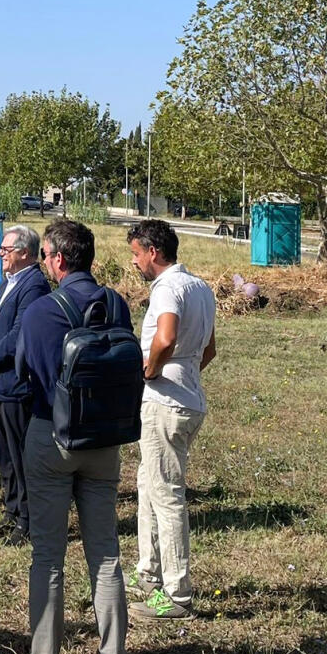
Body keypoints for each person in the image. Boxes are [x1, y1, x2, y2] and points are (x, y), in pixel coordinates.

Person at [14, 220, 130, 654]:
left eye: (44, 255)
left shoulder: (42, 311)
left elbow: (25, 373)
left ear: (58, 259)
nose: (43, 262)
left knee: (49, 558)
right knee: (106, 558)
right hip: (105, 440)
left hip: (52, 437)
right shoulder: (116, 302)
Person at [125, 219, 216, 620]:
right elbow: (209, 349)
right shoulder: (200, 287)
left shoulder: (166, 288)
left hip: (164, 400)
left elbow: (165, 337)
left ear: (153, 253)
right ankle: (149, 571)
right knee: (148, 482)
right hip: (188, 395)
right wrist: (185, 373)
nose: (135, 262)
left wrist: (150, 371)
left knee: (166, 495)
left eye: (136, 254)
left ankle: (177, 594)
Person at [0, 225, 50, 546]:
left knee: (19, 455)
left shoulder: (34, 286)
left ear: (25, 253)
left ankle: (27, 519)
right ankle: (12, 510)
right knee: (3, 455)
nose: (0, 253)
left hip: (15, 384)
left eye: (6, 249)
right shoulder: (7, 283)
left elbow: (20, 334)